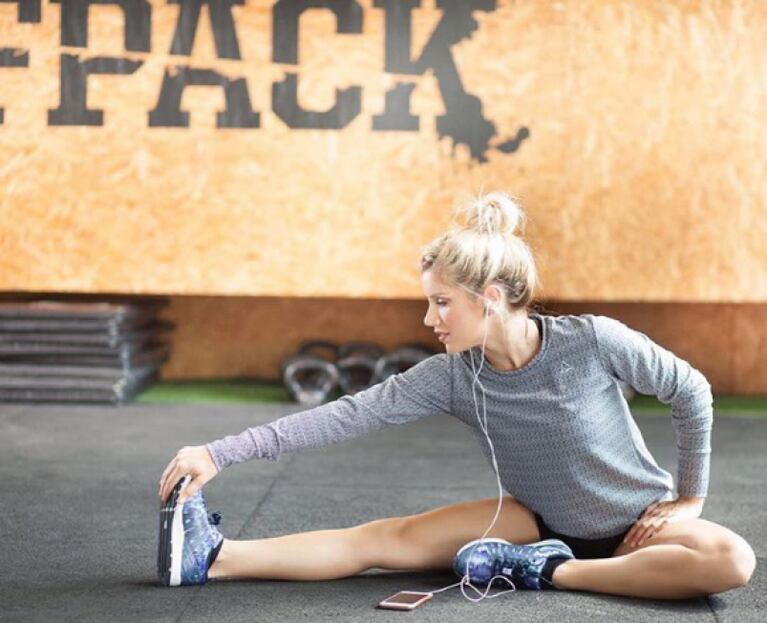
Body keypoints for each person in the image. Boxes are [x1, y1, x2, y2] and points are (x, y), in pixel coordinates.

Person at [157, 190, 756, 599]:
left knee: (732, 562)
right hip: (532, 519)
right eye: (429, 302)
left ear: (489, 297)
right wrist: (219, 452)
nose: (429, 319)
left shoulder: (595, 341)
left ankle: (553, 571)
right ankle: (214, 558)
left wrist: (690, 497)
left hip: (638, 523)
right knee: (381, 540)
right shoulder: (451, 375)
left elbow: (691, 390)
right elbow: (345, 416)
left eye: (442, 302)